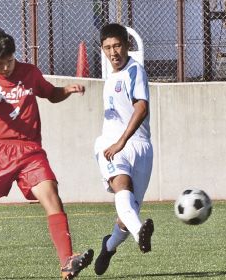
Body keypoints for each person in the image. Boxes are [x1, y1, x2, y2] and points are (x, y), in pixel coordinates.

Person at [0, 28, 93, 280]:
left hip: (30, 150)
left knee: (51, 194)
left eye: (8, 61)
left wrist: (67, 90)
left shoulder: (30, 72)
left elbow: (50, 94)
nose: (5, 68)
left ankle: (67, 262)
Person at [94, 23, 154, 275]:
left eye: (117, 45)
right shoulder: (110, 76)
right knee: (122, 187)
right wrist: (116, 143)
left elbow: (141, 107)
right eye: (107, 47)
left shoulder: (134, 71)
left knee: (125, 215)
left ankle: (108, 246)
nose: (113, 52)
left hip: (138, 147)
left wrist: (123, 141)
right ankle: (142, 230)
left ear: (127, 45)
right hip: (109, 144)